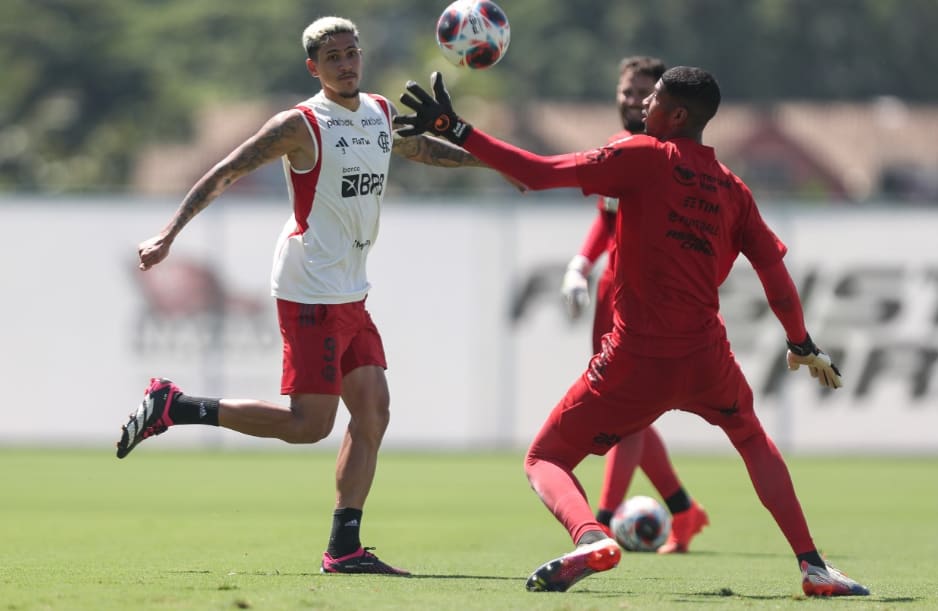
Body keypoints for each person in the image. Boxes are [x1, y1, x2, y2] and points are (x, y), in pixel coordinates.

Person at [395, 68, 870, 596]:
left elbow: (537, 172)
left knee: (544, 458)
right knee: (752, 437)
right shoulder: (734, 189)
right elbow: (774, 274)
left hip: (635, 357)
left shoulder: (643, 155)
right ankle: (813, 565)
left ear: (679, 115)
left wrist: (459, 131)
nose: (645, 105)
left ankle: (591, 534)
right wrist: (800, 341)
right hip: (706, 357)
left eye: (655, 99)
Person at [115, 16, 504, 577]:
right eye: (334, 58)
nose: (346, 64)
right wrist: (170, 233)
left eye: (352, 53)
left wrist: (496, 160)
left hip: (351, 290)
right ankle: (175, 406)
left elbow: (420, 150)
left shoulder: (378, 111)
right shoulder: (300, 124)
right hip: (311, 289)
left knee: (373, 411)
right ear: (313, 68)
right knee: (309, 426)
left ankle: (344, 548)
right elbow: (225, 170)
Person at [560, 55, 709, 553]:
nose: (632, 100)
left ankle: (601, 522)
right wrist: (581, 265)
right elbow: (608, 217)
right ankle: (684, 512)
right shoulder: (620, 148)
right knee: (629, 413)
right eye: (626, 91)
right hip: (614, 292)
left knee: (626, 410)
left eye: (643, 93)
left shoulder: (666, 156)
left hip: (650, 297)